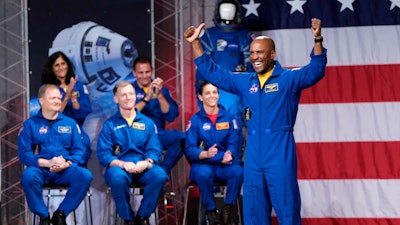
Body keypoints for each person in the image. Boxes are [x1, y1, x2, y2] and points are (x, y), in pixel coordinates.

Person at [184, 18, 327, 225]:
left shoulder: (288, 79)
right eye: (251, 53)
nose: (254, 57)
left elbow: (316, 70)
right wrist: (195, 43)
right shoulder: (245, 81)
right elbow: (213, 73)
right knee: (253, 213)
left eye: (260, 52)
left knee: (287, 210)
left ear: (272, 54)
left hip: (279, 151)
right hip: (253, 156)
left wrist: (318, 39)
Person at [18, 84, 93, 225]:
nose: (58, 101)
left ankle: (61, 214)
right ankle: (44, 216)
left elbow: (79, 151)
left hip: (65, 170)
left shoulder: (70, 123)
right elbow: (24, 154)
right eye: (53, 98)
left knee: (85, 175)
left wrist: (67, 163)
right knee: (28, 176)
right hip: (40, 169)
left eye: (59, 98)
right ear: (41, 100)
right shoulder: (30, 125)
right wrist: (47, 163)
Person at [96, 81, 168, 225]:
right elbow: (104, 153)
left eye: (131, 94)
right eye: (123, 95)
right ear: (116, 99)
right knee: (116, 178)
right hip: (119, 167)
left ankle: (142, 217)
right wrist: (121, 164)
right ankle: (128, 219)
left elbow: (154, 148)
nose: (128, 97)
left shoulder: (147, 123)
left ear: (135, 96)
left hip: (143, 165)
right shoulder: (109, 125)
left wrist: (147, 162)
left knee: (160, 175)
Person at [196, 0, 255, 151]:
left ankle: (235, 159)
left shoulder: (245, 36)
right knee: (210, 124)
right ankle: (211, 156)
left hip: (236, 90)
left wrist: (248, 90)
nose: (227, 13)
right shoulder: (209, 35)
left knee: (236, 125)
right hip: (213, 89)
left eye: (230, 10)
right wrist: (201, 91)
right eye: (224, 10)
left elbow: (252, 66)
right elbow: (202, 66)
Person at [185, 81, 243, 225]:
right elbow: (190, 149)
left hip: (224, 164)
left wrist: (230, 153)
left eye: (215, 92)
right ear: (200, 97)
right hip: (203, 164)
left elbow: (235, 142)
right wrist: (205, 154)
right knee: (203, 174)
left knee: (238, 171)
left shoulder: (228, 118)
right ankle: (210, 211)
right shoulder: (195, 120)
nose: (212, 96)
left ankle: (228, 209)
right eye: (208, 93)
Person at [132, 56, 184, 174]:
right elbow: (128, 115)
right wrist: (147, 98)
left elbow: (171, 116)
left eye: (147, 72)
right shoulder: (129, 90)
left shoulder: (163, 90)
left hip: (157, 134)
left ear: (152, 71)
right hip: (136, 135)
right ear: (134, 73)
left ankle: (162, 172)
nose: (145, 76)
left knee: (182, 138)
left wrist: (159, 95)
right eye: (141, 72)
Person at [41, 51, 93, 163]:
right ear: (52, 69)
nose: (61, 68)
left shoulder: (79, 86)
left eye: (63, 63)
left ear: (68, 65)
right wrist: (66, 96)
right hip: (56, 134)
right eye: (57, 65)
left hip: (77, 133)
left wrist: (73, 95)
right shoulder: (47, 89)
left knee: (83, 149)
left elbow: (82, 115)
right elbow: (50, 115)